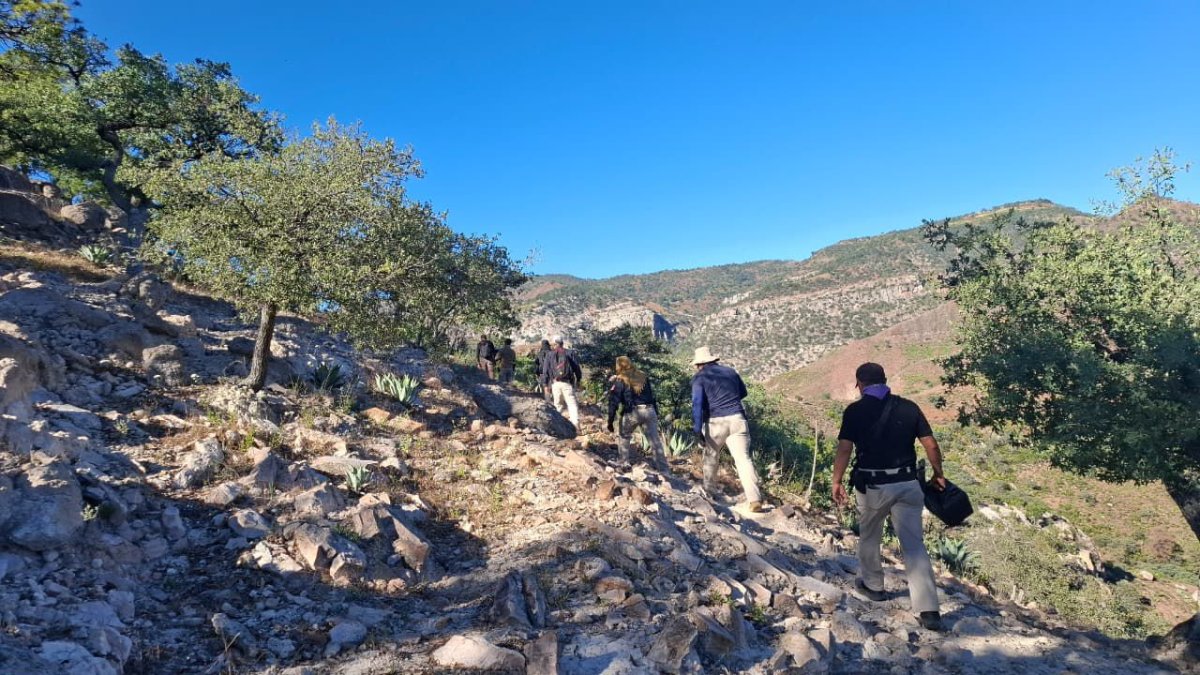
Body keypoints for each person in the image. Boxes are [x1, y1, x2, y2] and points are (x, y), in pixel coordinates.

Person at [831, 362, 948, 632]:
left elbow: (845, 449)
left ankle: (874, 586)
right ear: (885, 381)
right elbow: (930, 444)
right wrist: (938, 473)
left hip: (874, 485)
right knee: (914, 545)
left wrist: (836, 480)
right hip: (908, 483)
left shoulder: (855, 411)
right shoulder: (909, 407)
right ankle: (929, 610)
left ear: (859, 384)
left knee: (870, 535)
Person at [691, 346, 764, 512]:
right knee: (743, 459)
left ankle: (709, 493)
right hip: (738, 418)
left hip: (715, 422)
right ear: (713, 360)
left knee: (711, 456)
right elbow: (743, 393)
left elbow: (697, 405)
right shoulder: (731, 372)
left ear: (699, 364)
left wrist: (697, 429)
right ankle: (754, 499)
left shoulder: (699, 378)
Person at [606, 356, 668, 471]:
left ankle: (623, 462)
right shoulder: (643, 376)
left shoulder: (620, 379)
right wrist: (655, 413)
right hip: (650, 410)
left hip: (633, 412)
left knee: (624, 435)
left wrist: (610, 421)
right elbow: (651, 395)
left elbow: (613, 402)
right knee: (655, 442)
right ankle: (664, 469)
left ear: (619, 366)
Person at [541, 336, 582, 430]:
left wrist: (545, 384)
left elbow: (545, 371)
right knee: (571, 404)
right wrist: (579, 380)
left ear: (555, 344)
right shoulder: (570, 353)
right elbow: (577, 368)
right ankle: (575, 423)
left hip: (555, 383)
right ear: (562, 343)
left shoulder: (550, 354)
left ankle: (557, 427)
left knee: (558, 405)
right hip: (567, 383)